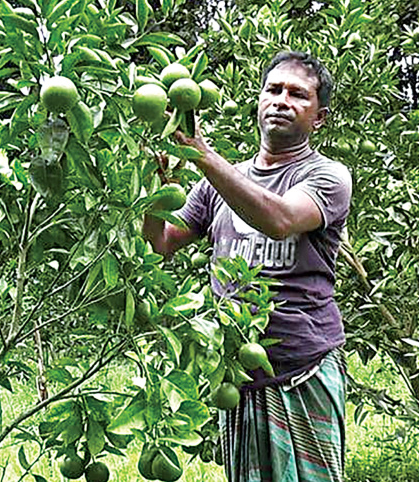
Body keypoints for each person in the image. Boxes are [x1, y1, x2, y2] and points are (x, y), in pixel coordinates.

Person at [143, 51, 352, 482]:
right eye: (273, 90)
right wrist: (155, 187)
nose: (281, 100)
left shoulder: (328, 177)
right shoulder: (217, 182)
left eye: (298, 95)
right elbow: (161, 244)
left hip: (301, 367)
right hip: (237, 374)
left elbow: (279, 220)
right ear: (258, 101)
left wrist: (202, 154)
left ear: (320, 117)